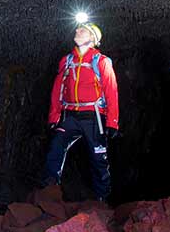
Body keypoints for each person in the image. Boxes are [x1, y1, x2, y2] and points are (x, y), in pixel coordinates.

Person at [42, 21, 119, 200]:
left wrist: (112, 122)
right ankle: (49, 192)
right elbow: (58, 89)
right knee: (56, 148)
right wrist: (54, 116)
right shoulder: (67, 61)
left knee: (98, 159)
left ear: (92, 37)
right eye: (77, 28)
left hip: (93, 117)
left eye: (82, 30)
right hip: (70, 116)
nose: (77, 31)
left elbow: (111, 91)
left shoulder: (101, 61)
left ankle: (102, 200)